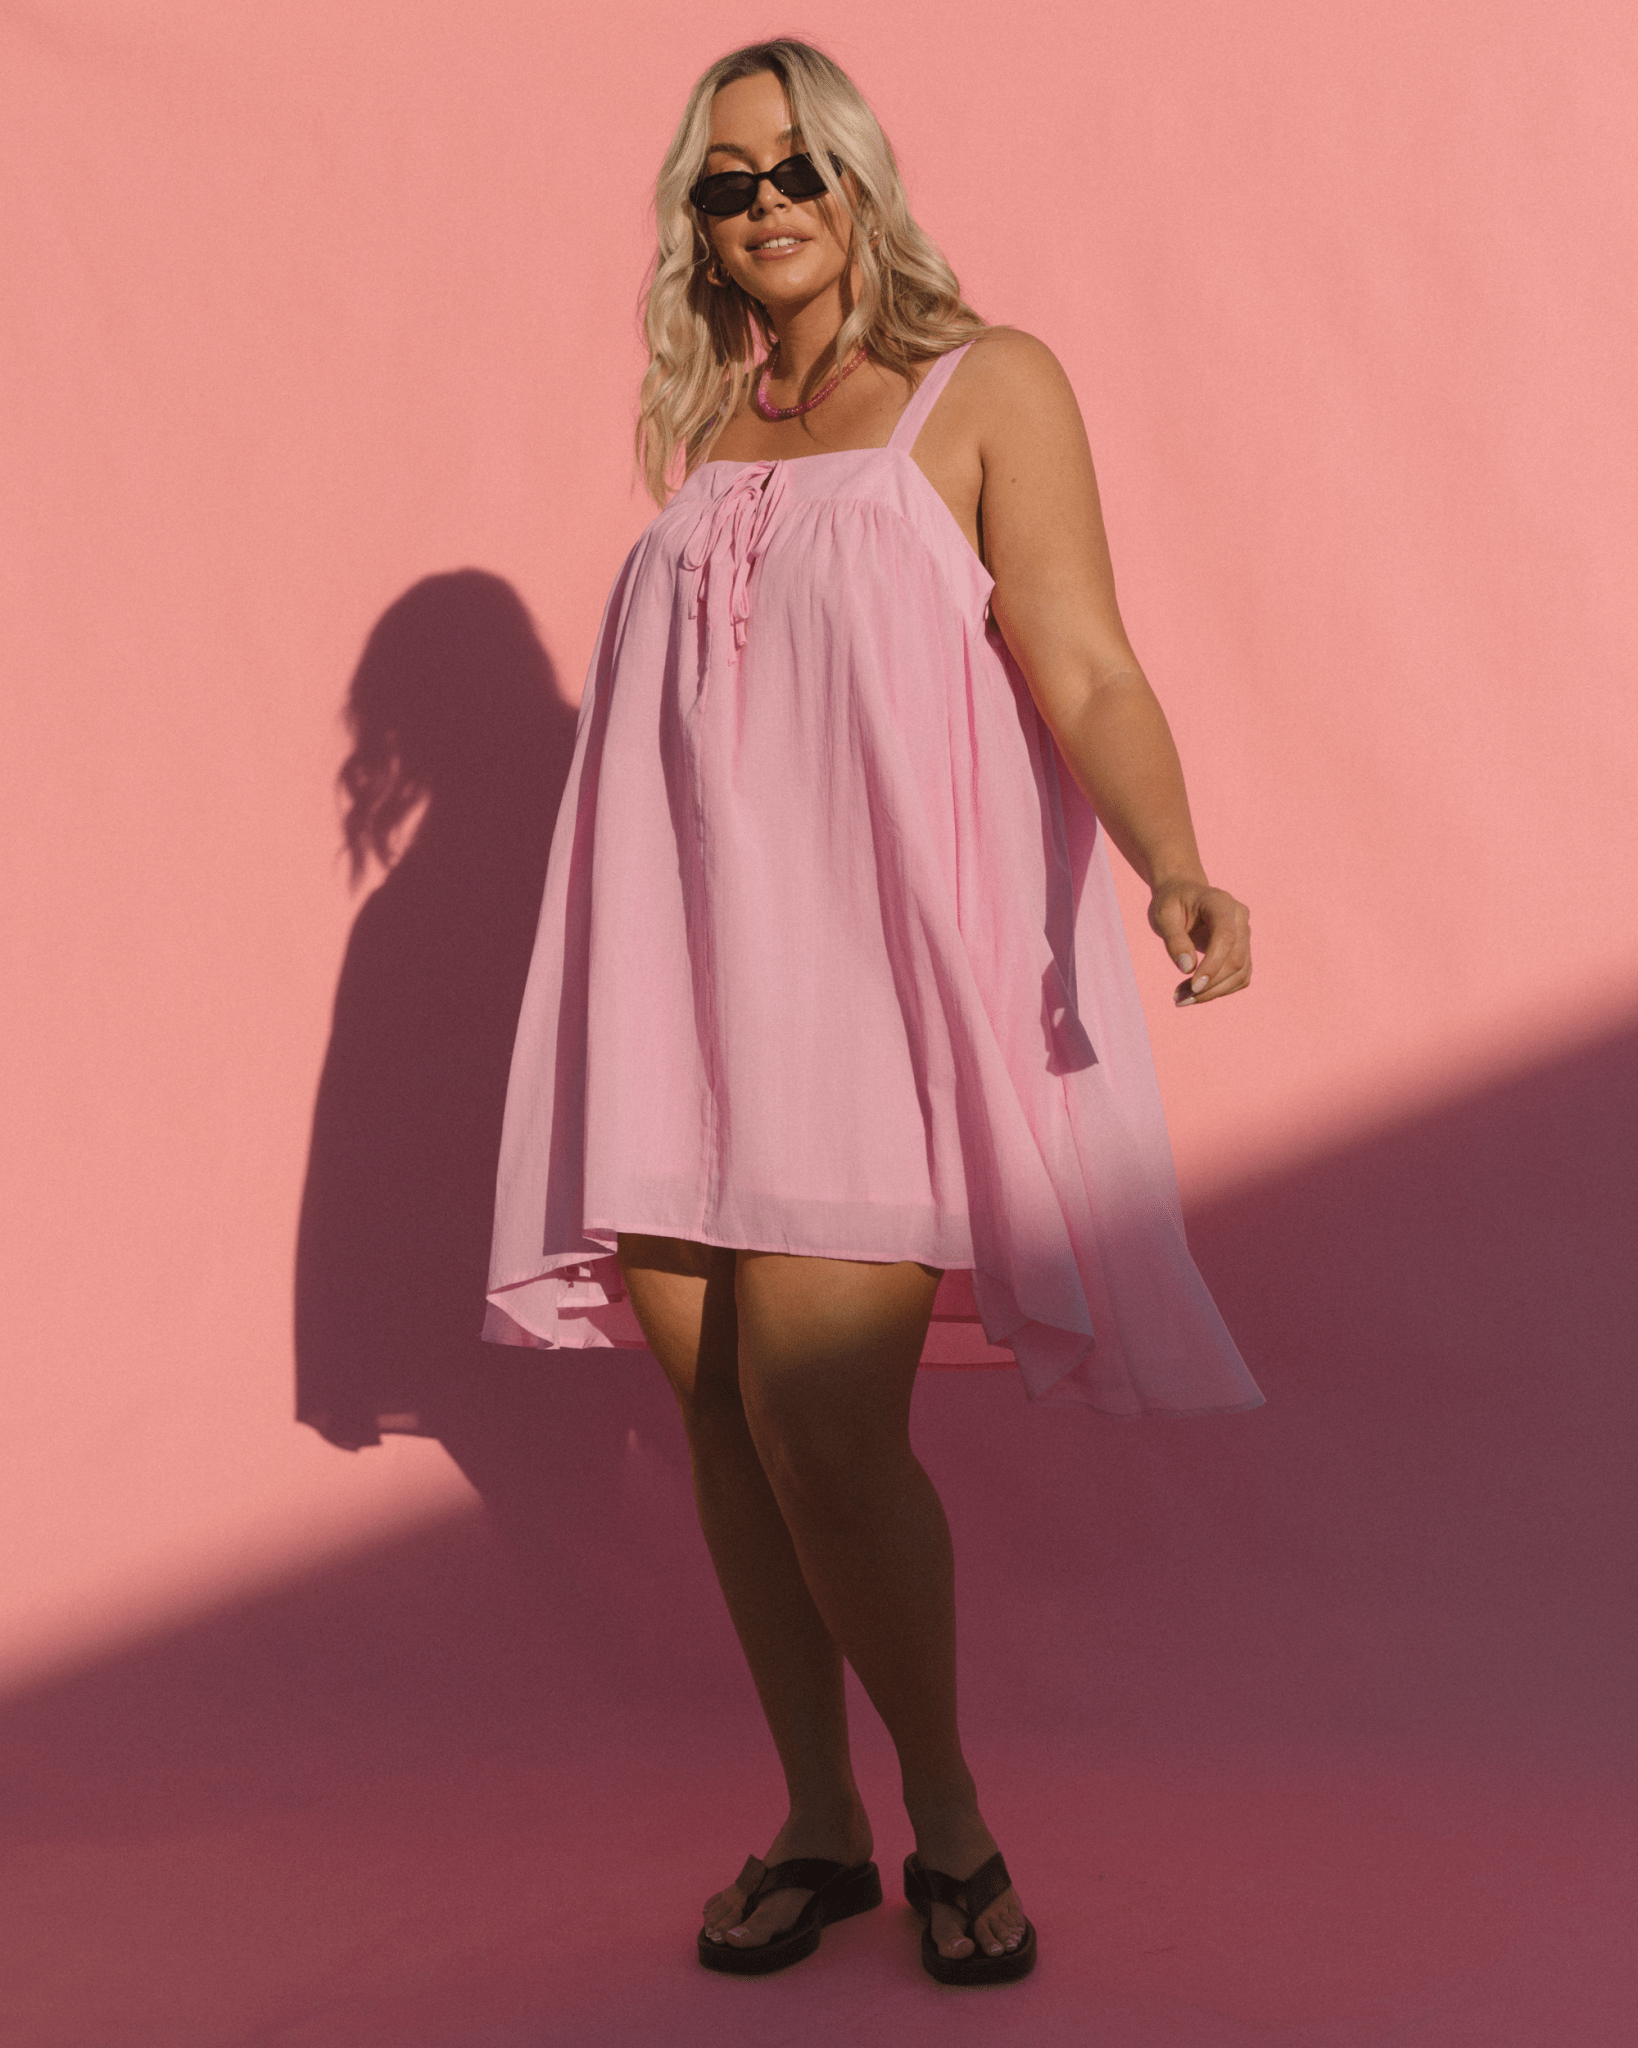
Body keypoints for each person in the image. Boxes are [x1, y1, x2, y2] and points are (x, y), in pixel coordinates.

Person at [483, 37, 1260, 1986]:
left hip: (854, 999)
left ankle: (951, 1821)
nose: (764, 210)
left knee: (829, 1434)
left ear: (862, 177)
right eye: (724, 186)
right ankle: (820, 1825)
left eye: (796, 169)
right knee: (726, 1438)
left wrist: (1171, 859)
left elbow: (1081, 656)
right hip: (674, 986)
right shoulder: (718, 428)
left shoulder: (985, 388)